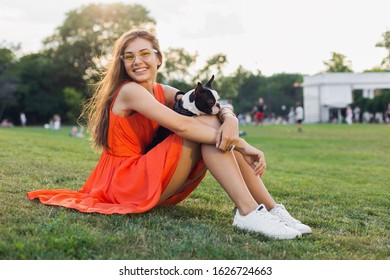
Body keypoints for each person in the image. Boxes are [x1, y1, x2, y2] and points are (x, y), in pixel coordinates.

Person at [27, 29, 311, 240]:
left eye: (144, 53)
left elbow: (211, 110)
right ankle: (249, 212)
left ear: (159, 59)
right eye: (129, 57)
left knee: (210, 126)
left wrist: (230, 118)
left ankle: (271, 209)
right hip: (125, 182)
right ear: (123, 64)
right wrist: (241, 143)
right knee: (202, 131)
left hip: (150, 176)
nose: (137, 61)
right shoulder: (130, 91)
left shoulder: (162, 91)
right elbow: (185, 127)